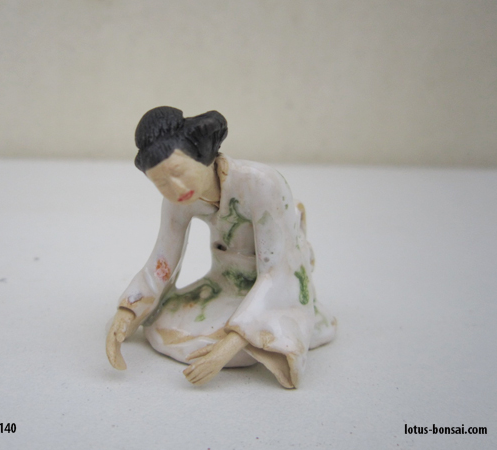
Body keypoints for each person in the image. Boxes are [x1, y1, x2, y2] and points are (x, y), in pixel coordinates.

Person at [106, 106, 336, 388]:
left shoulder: (261, 183)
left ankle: (251, 334)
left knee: (235, 334)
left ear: (201, 154)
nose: (175, 188)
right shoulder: (179, 200)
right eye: (161, 183)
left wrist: (228, 346)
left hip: (276, 289)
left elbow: (278, 270)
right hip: (223, 281)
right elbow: (162, 262)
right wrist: (128, 311)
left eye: (178, 172)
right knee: (167, 324)